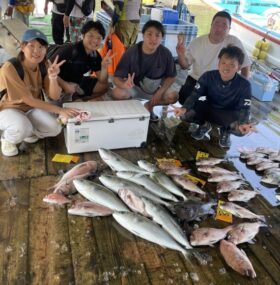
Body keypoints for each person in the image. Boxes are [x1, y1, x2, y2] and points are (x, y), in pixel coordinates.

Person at [0, 28, 79, 157]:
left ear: (46, 49)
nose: (37, 51)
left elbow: (54, 96)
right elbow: (28, 99)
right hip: (8, 109)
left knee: (55, 128)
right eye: (32, 46)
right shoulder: (10, 68)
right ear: (22, 47)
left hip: (31, 109)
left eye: (41, 47)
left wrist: (53, 78)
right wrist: (60, 111)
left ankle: (28, 132)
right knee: (22, 127)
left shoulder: (44, 65)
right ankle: (7, 139)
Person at [171, 45, 253, 148]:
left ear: (239, 67)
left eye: (232, 65)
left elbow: (245, 108)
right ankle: (205, 125)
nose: (226, 67)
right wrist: (184, 108)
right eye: (223, 63)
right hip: (210, 108)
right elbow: (194, 95)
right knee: (184, 115)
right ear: (218, 63)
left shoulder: (245, 85)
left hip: (229, 114)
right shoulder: (208, 76)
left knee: (241, 130)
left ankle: (225, 131)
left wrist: (243, 122)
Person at [176, 11, 251, 105]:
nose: (219, 28)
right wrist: (181, 54)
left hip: (222, 83)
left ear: (229, 29)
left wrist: (242, 87)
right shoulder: (197, 42)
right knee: (184, 99)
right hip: (197, 79)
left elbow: (246, 65)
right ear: (211, 25)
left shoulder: (234, 42)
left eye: (224, 26)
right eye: (216, 24)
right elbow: (184, 66)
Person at [112, 20, 178, 121]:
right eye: (149, 34)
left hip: (155, 90)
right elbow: (116, 78)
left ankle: (149, 106)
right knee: (117, 92)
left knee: (173, 96)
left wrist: (160, 92)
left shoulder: (166, 53)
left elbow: (172, 76)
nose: (153, 39)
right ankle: (131, 110)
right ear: (143, 35)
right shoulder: (132, 52)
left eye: (157, 35)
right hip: (134, 88)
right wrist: (124, 84)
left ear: (162, 38)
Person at [49, 20, 113, 102]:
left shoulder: (95, 55)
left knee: (105, 86)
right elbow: (47, 66)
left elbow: (102, 81)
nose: (95, 41)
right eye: (90, 36)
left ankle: (79, 100)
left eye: (98, 38)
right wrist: (65, 85)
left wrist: (104, 67)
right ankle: (68, 99)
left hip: (77, 83)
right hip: (56, 81)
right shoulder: (70, 49)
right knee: (59, 94)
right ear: (83, 36)